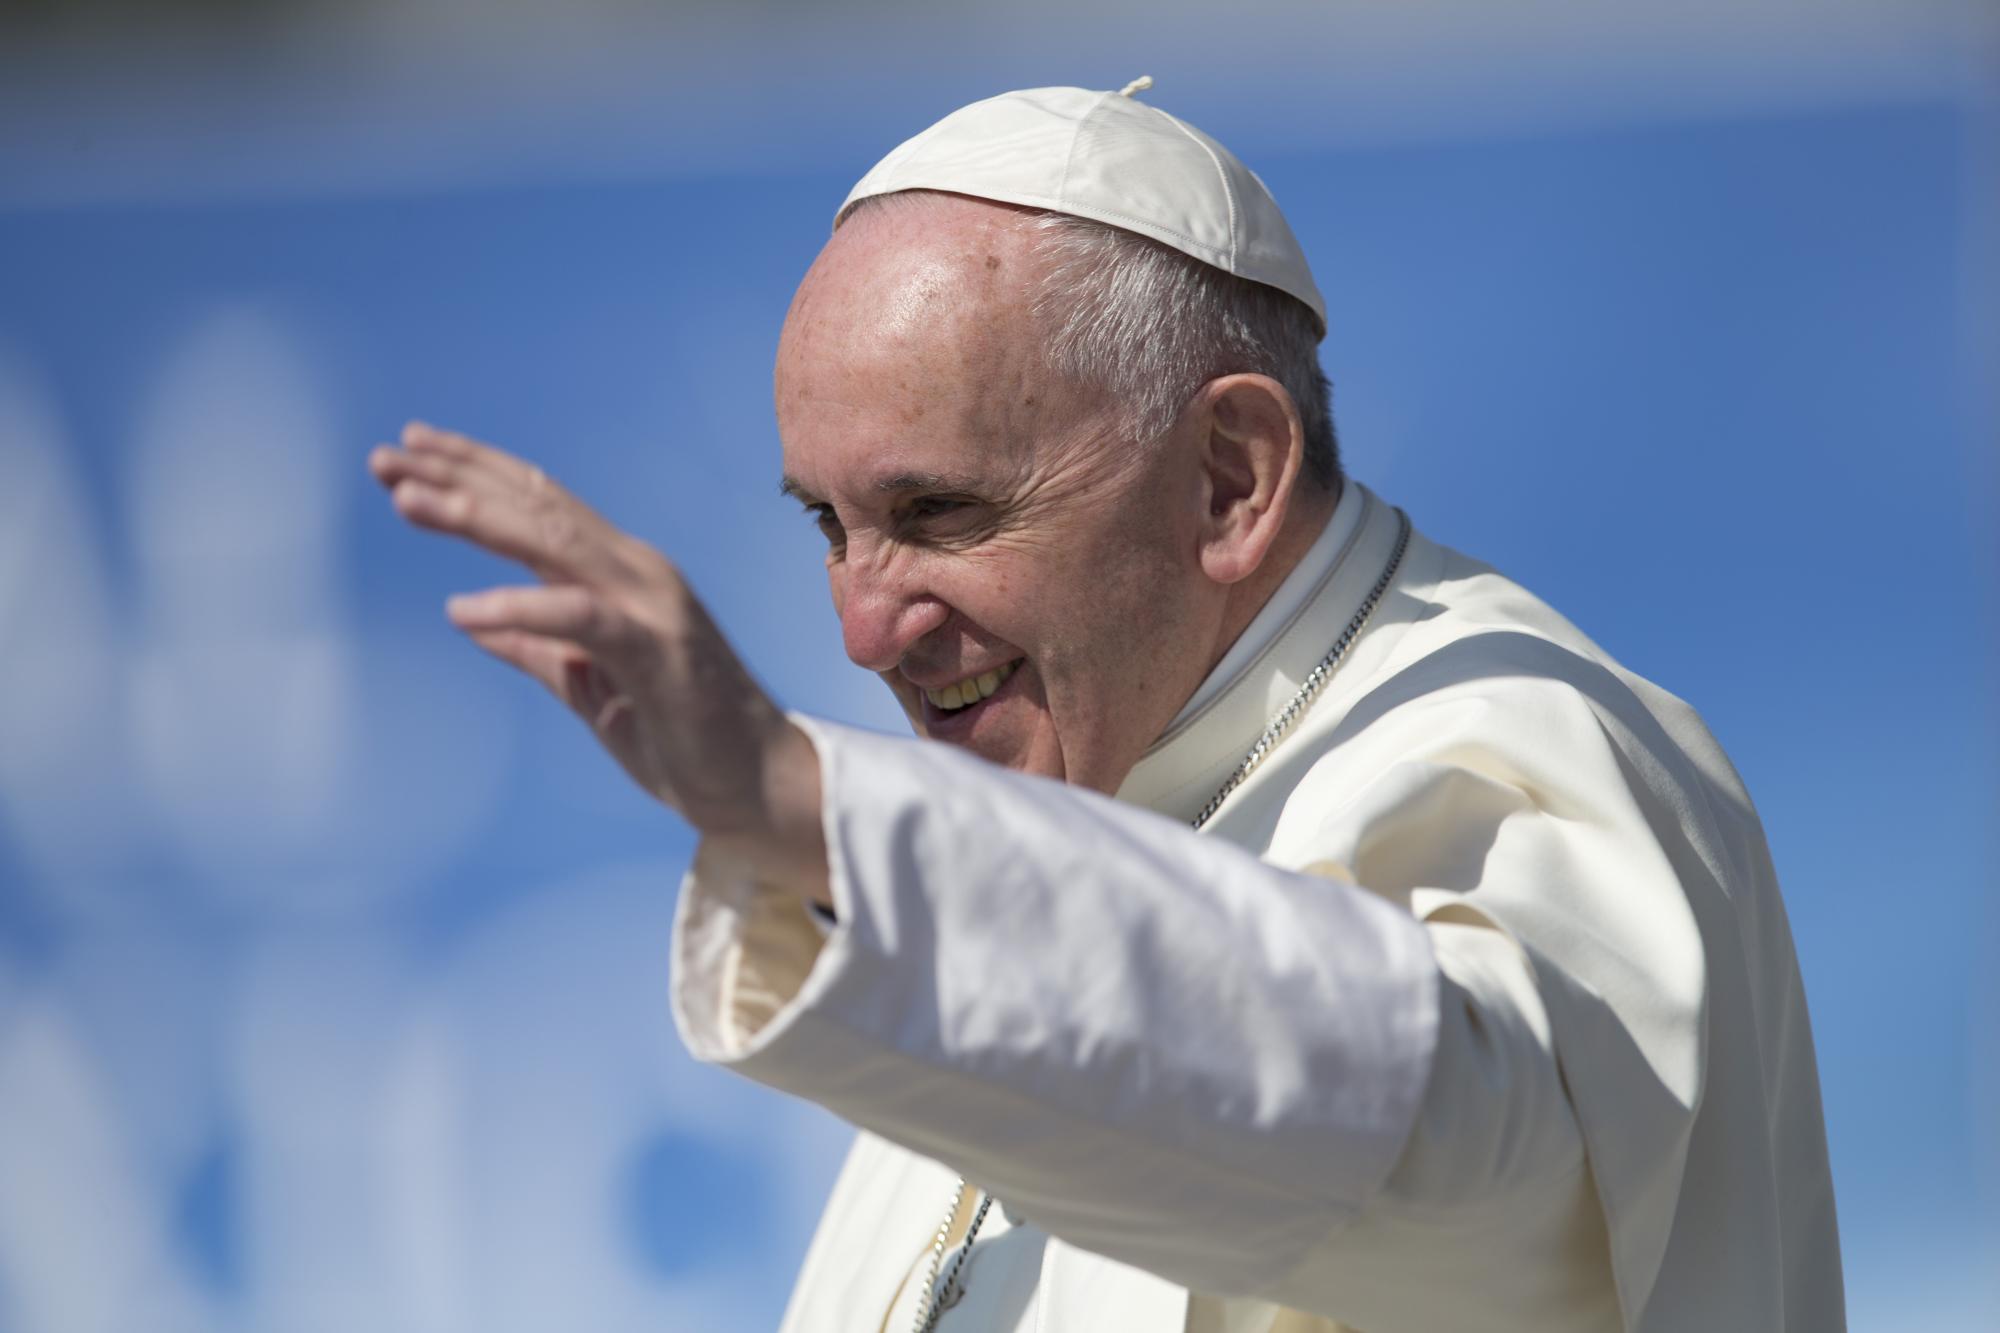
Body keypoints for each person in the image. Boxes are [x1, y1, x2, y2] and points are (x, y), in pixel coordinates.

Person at [369, 82, 1843, 1332]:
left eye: (940, 513)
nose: (864, 630)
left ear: (1229, 478)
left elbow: (1438, 1155)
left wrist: (803, 805)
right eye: (828, 525)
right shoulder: (1072, 808)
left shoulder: (1524, 748)